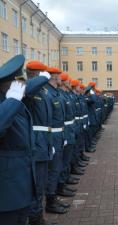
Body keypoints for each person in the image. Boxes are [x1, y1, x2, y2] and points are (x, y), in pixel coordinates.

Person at [23, 61, 60, 225]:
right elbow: (28, 88)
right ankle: (35, 219)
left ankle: (38, 216)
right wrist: (44, 78)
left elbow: (48, 123)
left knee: (42, 182)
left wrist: (50, 142)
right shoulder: (26, 88)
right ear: (36, 74)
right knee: (36, 184)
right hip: (35, 145)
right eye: (43, 73)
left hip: (44, 143)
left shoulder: (43, 92)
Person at [0, 55, 35, 225]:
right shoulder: (8, 103)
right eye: (20, 81)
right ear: (10, 84)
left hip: (22, 184)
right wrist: (12, 99)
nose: (23, 85)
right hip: (6, 188)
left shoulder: (15, 102)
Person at [45, 67, 69, 214]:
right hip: (52, 137)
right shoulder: (48, 94)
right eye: (59, 76)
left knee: (58, 166)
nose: (61, 78)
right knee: (53, 170)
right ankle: (50, 202)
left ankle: (55, 195)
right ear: (55, 77)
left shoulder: (56, 93)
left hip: (59, 135)